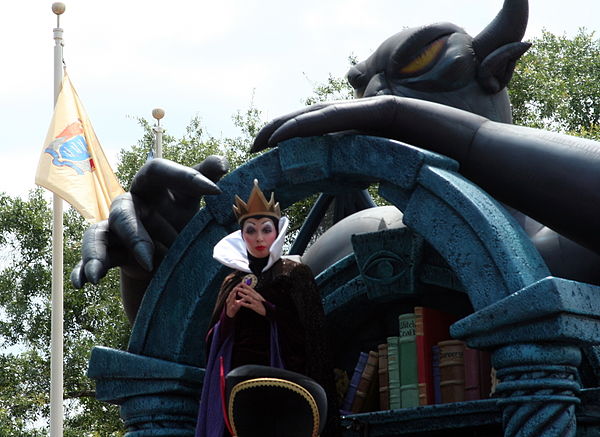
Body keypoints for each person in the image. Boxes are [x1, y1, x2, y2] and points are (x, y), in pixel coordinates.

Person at [195, 179, 339, 437]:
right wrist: (227, 316)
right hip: (238, 390)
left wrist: (269, 311)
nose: (259, 238)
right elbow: (210, 345)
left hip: (282, 387)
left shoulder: (293, 273)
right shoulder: (232, 281)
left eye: (265, 229)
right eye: (251, 230)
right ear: (242, 236)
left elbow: (314, 336)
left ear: (276, 232)